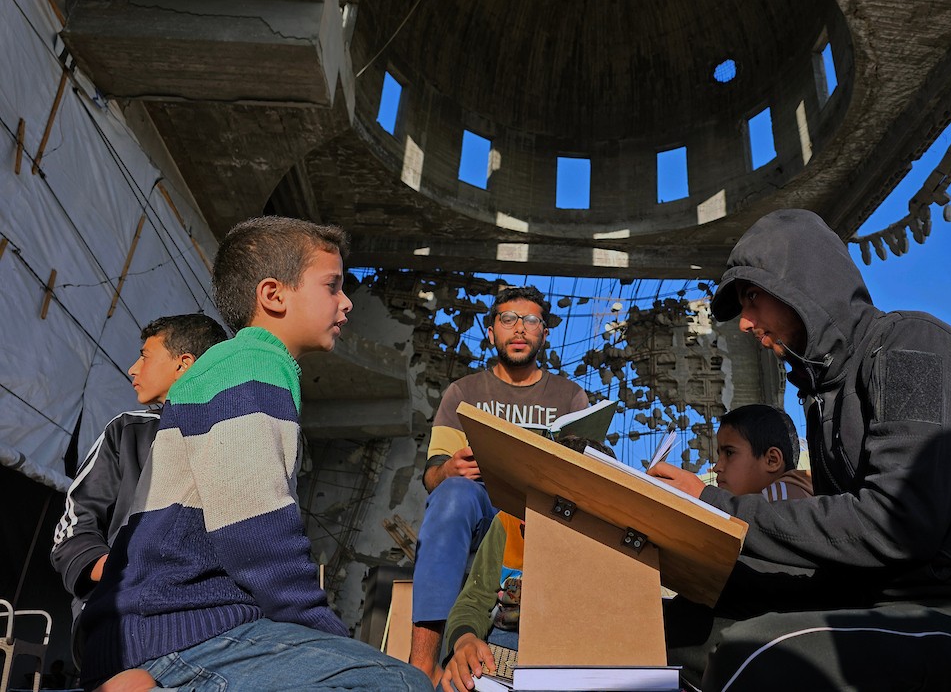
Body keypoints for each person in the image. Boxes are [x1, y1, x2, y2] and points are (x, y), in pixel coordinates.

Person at [649, 209, 951, 691]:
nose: (746, 323)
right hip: (897, 609)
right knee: (676, 636)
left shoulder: (912, 350)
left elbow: (895, 523)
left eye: (753, 297)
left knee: (757, 656)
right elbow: (842, 558)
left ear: (802, 286)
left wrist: (715, 506)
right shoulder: (825, 397)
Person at [76, 216, 431, 692]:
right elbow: (256, 532)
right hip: (177, 630)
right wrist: (321, 633)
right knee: (397, 683)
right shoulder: (253, 363)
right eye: (332, 286)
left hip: (157, 626)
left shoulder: (239, 365)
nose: (346, 302)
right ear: (273, 295)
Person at [411, 286, 589, 682]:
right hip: (481, 503)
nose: (520, 329)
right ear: (491, 333)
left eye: (531, 321)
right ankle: (421, 663)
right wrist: (450, 470)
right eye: (508, 319)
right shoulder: (464, 392)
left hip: (540, 509)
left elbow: (595, 471)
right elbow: (432, 476)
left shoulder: (570, 395)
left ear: (544, 333)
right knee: (452, 494)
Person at [51, 314, 228, 665]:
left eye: (145, 356)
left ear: (184, 364)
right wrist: (113, 567)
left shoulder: (232, 441)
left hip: (207, 626)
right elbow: (73, 528)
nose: (133, 368)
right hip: (116, 619)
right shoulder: (128, 432)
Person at [439, 436, 614, 692]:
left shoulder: (613, 543)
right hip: (507, 643)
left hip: (581, 655)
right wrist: (465, 640)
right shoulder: (508, 523)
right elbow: (474, 600)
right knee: (456, 684)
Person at [711, 403, 812, 500]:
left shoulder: (787, 501)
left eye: (729, 453)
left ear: (772, 460)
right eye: (719, 455)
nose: (716, 468)